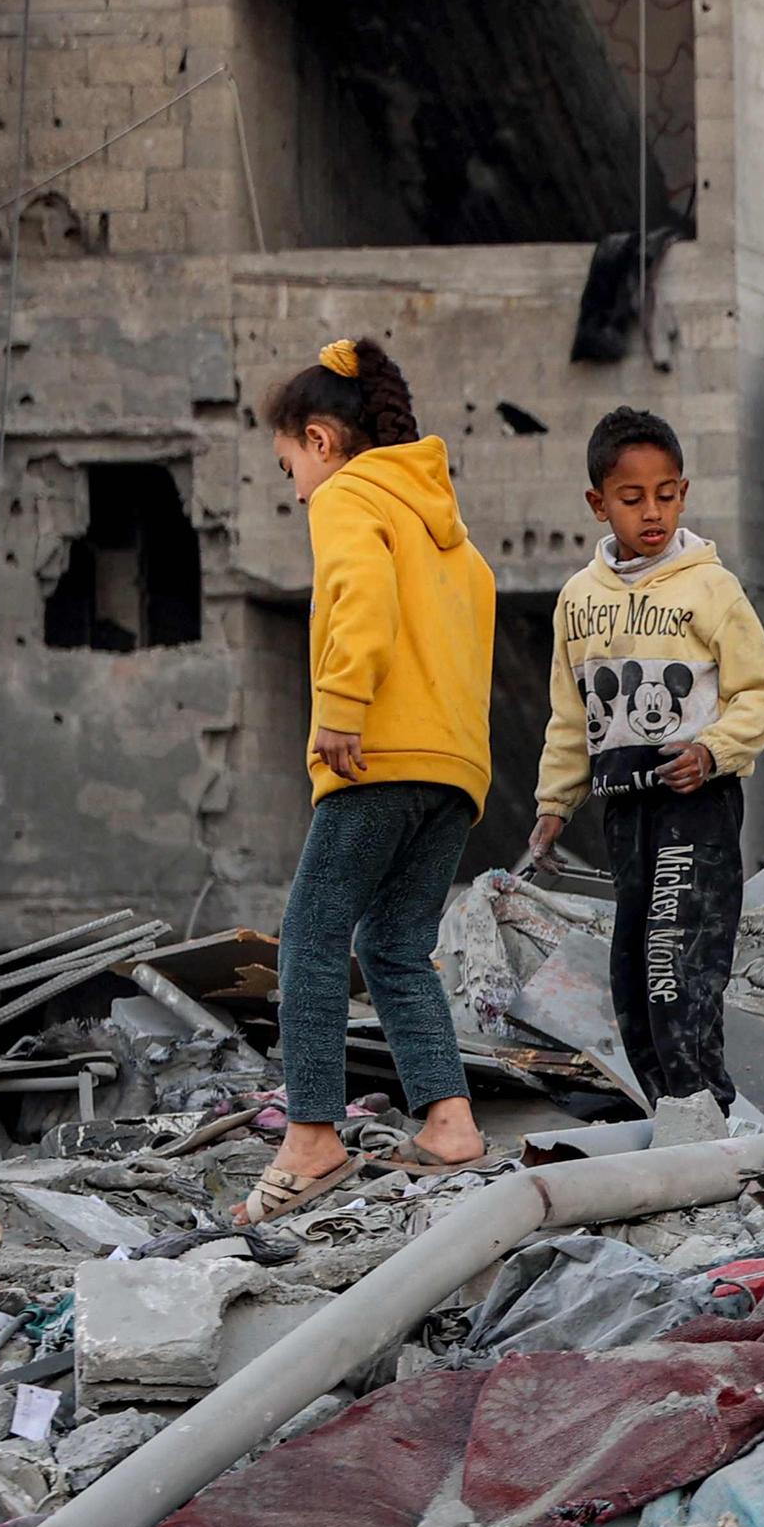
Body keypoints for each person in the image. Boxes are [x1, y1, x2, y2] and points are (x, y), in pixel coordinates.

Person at [242, 338, 499, 1225]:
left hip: (375, 755)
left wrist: (342, 705)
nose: (297, 490)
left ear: (320, 441)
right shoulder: (452, 538)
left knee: (312, 934)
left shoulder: (351, 497)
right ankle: (451, 1120)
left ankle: (312, 1134)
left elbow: (362, 598)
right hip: (454, 773)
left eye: (290, 469)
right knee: (394, 943)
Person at [523, 407, 764, 1106]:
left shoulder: (711, 589)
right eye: (632, 498)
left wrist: (712, 750)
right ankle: (672, 1114)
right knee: (633, 973)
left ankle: (709, 1113)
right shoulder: (578, 600)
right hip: (623, 808)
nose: (653, 513)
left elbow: (759, 693)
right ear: (597, 503)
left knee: (679, 968)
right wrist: (554, 805)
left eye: (666, 495)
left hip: (695, 803)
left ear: (684, 492)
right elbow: (570, 712)